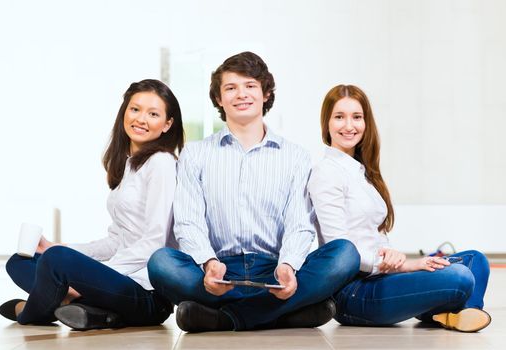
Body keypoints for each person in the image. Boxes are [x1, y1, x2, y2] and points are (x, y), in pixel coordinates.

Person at [147, 52, 360, 333]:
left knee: (345, 254)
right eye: (230, 88)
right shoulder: (195, 154)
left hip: (274, 271)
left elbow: (299, 223)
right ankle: (281, 313)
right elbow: (188, 221)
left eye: (250, 86)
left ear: (266, 93)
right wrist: (209, 263)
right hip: (217, 273)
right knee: (161, 262)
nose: (241, 94)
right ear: (219, 99)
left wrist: (288, 266)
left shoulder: (295, 156)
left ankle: (228, 317)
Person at [0, 79, 185, 330]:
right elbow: (115, 241)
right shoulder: (128, 166)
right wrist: (60, 247)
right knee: (20, 261)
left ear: (167, 124)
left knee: (56, 261)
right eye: (135, 109)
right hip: (117, 281)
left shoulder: (161, 163)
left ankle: (30, 311)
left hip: (145, 293)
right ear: (124, 113)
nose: (141, 119)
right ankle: (92, 310)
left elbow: (155, 242)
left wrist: (91, 274)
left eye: (153, 114)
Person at [308, 84, 491, 332]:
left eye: (357, 117)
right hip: (353, 293)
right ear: (326, 123)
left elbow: (375, 235)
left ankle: (450, 316)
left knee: (475, 261)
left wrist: (392, 255)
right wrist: (405, 265)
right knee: (460, 277)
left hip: (383, 278)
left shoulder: (363, 172)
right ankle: (457, 310)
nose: (349, 126)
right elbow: (339, 252)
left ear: (366, 122)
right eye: (339, 117)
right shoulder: (327, 173)